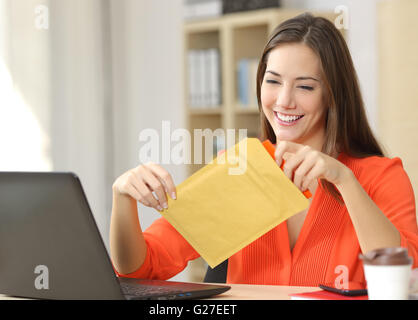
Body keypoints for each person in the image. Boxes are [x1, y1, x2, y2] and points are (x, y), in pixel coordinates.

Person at [109, 12, 418, 286]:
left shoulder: (380, 176)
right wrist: (123, 197)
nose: (284, 100)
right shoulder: (239, 169)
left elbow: (405, 276)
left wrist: (344, 180)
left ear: (333, 95)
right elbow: (139, 269)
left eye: (305, 86)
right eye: (273, 81)